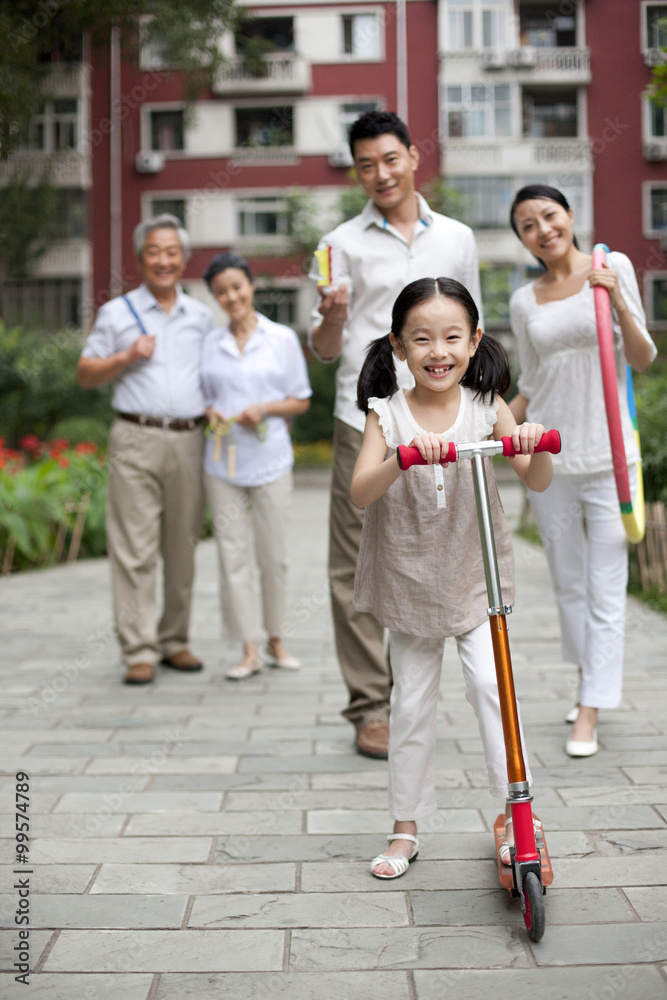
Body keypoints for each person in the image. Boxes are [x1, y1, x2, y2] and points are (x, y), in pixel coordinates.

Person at [351, 276, 552, 878]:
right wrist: (403, 456)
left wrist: (530, 440)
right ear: (398, 347)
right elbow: (361, 491)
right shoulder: (386, 413)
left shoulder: (487, 408)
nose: (437, 352)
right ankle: (405, 827)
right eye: (421, 340)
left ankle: (518, 813)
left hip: (475, 575)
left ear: (473, 342)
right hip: (410, 577)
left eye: (450, 338)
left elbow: (535, 478)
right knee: (411, 703)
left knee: (493, 689)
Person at [310, 110, 483, 760]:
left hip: (444, 417)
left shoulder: (457, 237)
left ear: (412, 156)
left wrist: (481, 406)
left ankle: (437, 680)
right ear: (355, 171)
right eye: (364, 165)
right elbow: (326, 349)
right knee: (351, 563)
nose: (378, 174)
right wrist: (330, 316)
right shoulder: (337, 243)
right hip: (366, 419)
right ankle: (368, 706)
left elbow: (471, 328)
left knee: (447, 544)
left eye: (388, 159)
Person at [508, 185, 657, 757]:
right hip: (550, 456)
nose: (542, 229)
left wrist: (617, 298)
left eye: (549, 215)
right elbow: (530, 384)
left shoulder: (610, 265)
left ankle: (591, 710)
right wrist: (487, 423)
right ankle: (585, 682)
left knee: (604, 586)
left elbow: (642, 357)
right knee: (568, 584)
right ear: (522, 237)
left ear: (569, 216)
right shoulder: (525, 300)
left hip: (611, 457)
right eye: (527, 224)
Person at [77, 214, 214, 685]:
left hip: (190, 437)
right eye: (154, 252)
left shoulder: (200, 314)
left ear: (183, 257)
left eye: (172, 251)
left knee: (183, 544)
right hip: (134, 437)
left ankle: (174, 640)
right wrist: (125, 357)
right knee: (133, 547)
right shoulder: (117, 313)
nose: (163, 260)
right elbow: (85, 372)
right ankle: (138, 648)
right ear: (140, 259)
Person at [201, 252, 312, 680]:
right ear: (215, 297)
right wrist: (211, 411)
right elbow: (204, 396)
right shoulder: (210, 343)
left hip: (270, 460)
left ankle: (276, 639)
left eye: (237, 286)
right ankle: (248, 648)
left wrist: (263, 409)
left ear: (250, 286)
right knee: (232, 556)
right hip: (222, 462)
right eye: (221, 291)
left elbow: (300, 398)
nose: (231, 296)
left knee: (273, 555)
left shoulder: (280, 338)